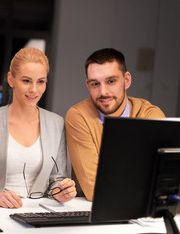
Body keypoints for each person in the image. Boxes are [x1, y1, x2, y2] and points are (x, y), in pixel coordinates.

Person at [0, 47, 77, 208]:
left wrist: (63, 192)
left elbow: (56, 181)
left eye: (40, 81)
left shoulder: (56, 124)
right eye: (26, 80)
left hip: (38, 213)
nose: (34, 90)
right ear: (11, 79)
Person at [65, 48, 165, 201]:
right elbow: (95, 189)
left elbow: (161, 181)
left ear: (127, 80)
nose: (103, 92)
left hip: (144, 213)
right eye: (95, 84)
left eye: (111, 81)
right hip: (93, 211)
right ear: (88, 85)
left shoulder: (150, 115)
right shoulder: (79, 116)